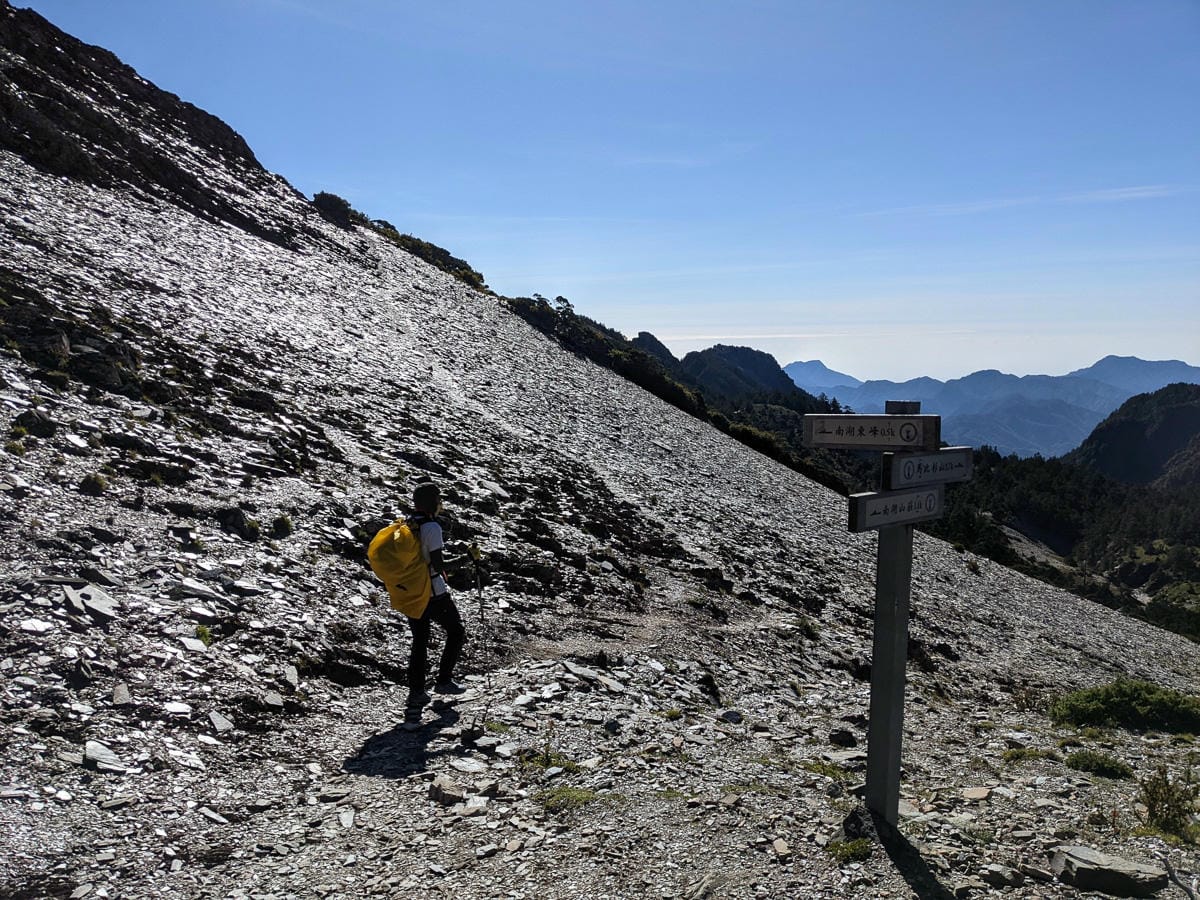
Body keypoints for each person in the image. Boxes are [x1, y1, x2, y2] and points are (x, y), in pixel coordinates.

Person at [405, 481, 466, 716]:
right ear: (432, 502)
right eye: (439, 499)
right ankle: (443, 680)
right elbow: (438, 565)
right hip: (433, 591)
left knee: (420, 641)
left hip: (411, 592)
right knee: (456, 631)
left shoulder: (407, 523)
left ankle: (416, 692)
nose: (441, 503)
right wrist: (466, 559)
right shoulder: (431, 527)